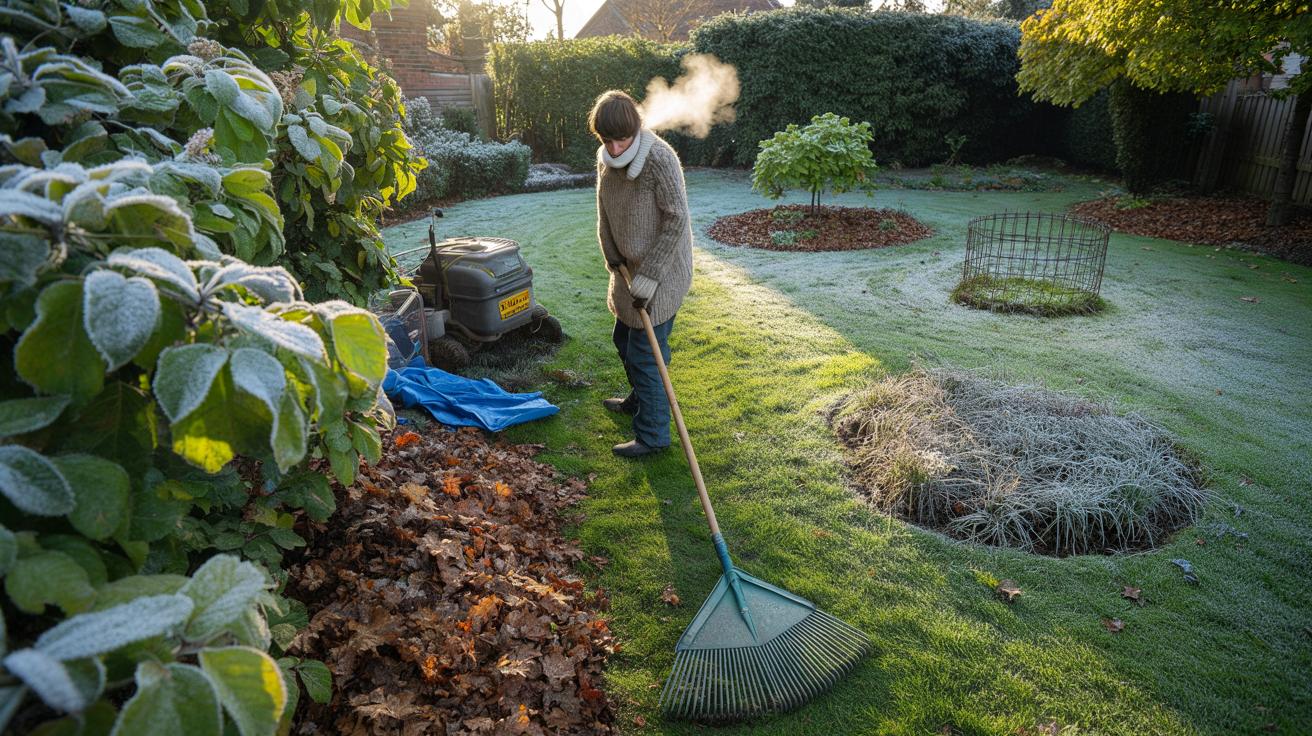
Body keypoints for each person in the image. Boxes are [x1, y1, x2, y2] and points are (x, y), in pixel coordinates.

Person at [590, 90, 694, 458]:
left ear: (636, 129)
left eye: (622, 139)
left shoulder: (659, 159)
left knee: (647, 355)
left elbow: (676, 220)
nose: (616, 149)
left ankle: (653, 435)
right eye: (608, 141)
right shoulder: (606, 161)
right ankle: (640, 399)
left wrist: (649, 276)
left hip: (661, 271)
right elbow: (604, 211)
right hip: (628, 271)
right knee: (624, 341)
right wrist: (612, 255)